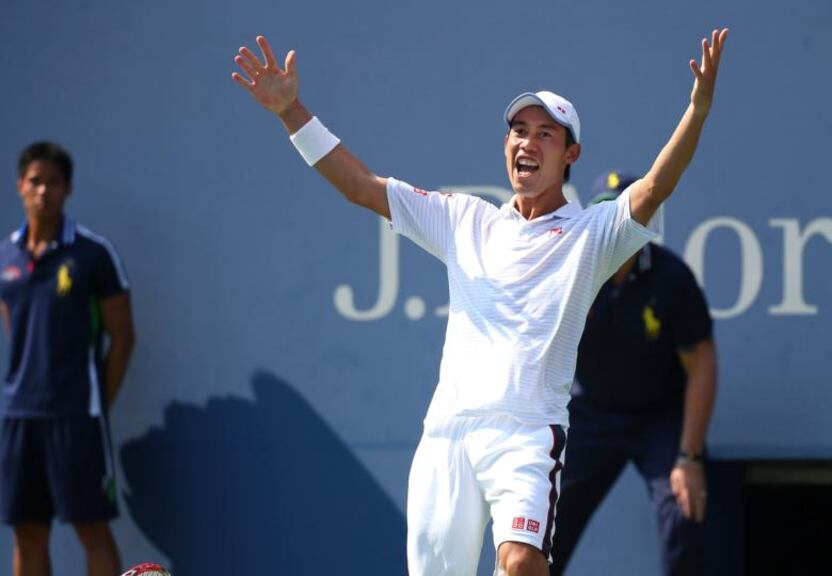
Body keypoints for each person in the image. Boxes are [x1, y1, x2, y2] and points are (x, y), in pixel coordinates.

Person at [231, 28, 727, 576]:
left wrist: (697, 111)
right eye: (518, 131)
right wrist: (291, 112)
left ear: (570, 155)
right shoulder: (463, 218)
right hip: (448, 433)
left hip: (529, 434)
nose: (527, 143)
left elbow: (655, 187)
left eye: (545, 134)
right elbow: (361, 186)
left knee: (522, 562)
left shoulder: (593, 234)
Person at [549, 171, 718, 576]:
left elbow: (702, 364)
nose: (616, 225)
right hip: (589, 415)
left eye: (626, 213)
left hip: (661, 419)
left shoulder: (672, 279)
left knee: (682, 510)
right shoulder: (570, 272)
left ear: (644, 219)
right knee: (543, 525)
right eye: (606, 213)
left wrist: (689, 457)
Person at [0, 141, 135, 576]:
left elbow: (123, 338)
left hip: (77, 415)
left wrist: (97, 404)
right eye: (35, 181)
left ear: (68, 188)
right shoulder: (6, 257)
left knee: (91, 529)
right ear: (20, 186)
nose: (44, 191)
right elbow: (16, 330)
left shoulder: (93, 254)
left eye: (53, 182)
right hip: (19, 416)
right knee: (27, 533)